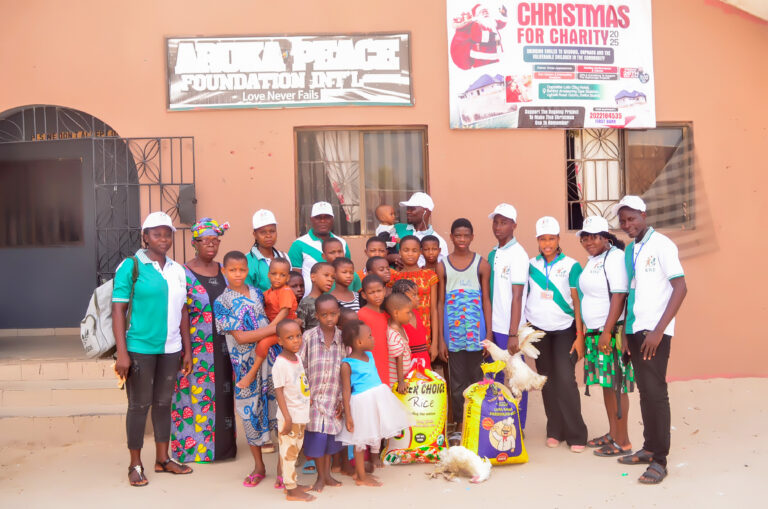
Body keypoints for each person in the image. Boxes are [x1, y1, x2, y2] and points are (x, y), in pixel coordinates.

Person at [112, 212, 193, 487]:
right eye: (157, 234)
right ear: (145, 237)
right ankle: (135, 464)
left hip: (171, 348)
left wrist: (187, 350)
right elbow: (118, 310)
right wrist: (123, 353)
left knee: (163, 404)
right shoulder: (131, 266)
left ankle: (163, 459)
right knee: (138, 406)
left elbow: (183, 311)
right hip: (139, 348)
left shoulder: (177, 270)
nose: (164, 239)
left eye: (168, 234)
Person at [615, 196, 687, 485]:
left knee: (656, 393)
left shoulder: (662, 245)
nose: (627, 224)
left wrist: (658, 331)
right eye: (623, 221)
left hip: (653, 333)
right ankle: (649, 448)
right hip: (635, 330)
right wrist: (624, 332)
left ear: (643, 215)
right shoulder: (631, 249)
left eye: (632, 218)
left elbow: (680, 287)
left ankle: (660, 460)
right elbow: (630, 292)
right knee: (645, 392)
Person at [214, 251, 280, 488]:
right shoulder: (221, 302)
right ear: (224, 271)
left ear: (247, 270)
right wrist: (276, 329)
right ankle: (259, 466)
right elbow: (241, 337)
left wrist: (274, 331)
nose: (238, 274)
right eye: (232, 270)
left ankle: (283, 468)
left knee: (278, 410)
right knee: (249, 412)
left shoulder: (257, 293)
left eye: (242, 269)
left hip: (272, 359)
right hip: (245, 366)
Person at [172, 217, 236, 464]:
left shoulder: (225, 271)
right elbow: (181, 312)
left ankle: (224, 449)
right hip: (196, 347)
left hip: (225, 346)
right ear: (194, 243)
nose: (211, 244)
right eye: (204, 240)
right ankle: (193, 450)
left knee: (222, 395)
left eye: (215, 240)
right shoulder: (182, 272)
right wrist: (187, 351)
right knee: (194, 397)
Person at [525, 216, 588, 452]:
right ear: (537, 240)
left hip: (564, 329)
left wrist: (580, 335)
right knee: (547, 380)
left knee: (565, 379)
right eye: (542, 239)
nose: (547, 243)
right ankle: (555, 429)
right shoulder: (531, 265)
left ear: (559, 239)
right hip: (539, 330)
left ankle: (576, 433)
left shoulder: (571, 265)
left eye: (551, 238)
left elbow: (577, 301)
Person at [577, 215, 634, 457]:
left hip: (609, 333)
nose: (589, 242)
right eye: (585, 238)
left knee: (617, 385)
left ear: (606, 238)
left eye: (594, 237)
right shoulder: (593, 259)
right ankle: (613, 433)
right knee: (607, 385)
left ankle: (623, 441)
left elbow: (619, 295)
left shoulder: (615, 257)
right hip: (595, 333)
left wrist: (608, 331)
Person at [436, 218, 492, 442]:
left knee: (477, 378)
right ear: (451, 237)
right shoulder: (443, 265)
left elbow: (486, 299)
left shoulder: (481, 264)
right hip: (453, 334)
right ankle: (460, 424)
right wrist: (441, 339)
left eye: (466, 235)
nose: (461, 239)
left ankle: (476, 423)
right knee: (457, 381)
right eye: (457, 235)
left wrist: (488, 335)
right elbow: (440, 302)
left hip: (476, 332)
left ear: (472, 237)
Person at [337, 320, 411, 487]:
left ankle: (360, 473)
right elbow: (346, 391)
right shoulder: (347, 364)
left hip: (376, 399)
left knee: (370, 435)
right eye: (369, 336)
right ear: (359, 342)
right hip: (361, 404)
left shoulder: (369, 356)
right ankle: (361, 477)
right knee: (360, 440)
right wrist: (348, 415)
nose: (373, 339)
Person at [486, 204, 530, 428]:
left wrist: (513, 333)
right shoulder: (493, 253)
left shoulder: (518, 254)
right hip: (493, 327)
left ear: (514, 225)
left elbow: (517, 295)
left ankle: (517, 426)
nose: (498, 227)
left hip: (509, 329)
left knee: (515, 376)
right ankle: (496, 423)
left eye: (503, 223)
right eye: (496, 222)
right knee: (493, 376)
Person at [299, 294, 346, 492]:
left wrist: (342, 399)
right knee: (317, 439)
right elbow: (299, 367)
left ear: (338, 313)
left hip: (333, 399)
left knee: (329, 441)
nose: (329, 318)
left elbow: (346, 371)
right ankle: (321, 476)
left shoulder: (343, 338)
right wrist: (304, 395)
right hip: (314, 400)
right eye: (324, 315)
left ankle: (327, 476)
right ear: (316, 316)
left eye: (333, 314)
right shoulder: (308, 337)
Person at [236, 258, 297, 389]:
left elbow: (284, 312)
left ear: (288, 278)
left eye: (282, 275)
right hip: (274, 328)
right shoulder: (267, 293)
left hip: (284, 329)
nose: (277, 278)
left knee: (264, 343)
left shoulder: (285, 291)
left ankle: (251, 374)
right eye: (274, 274)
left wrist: (269, 328)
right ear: (268, 274)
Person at [272, 318, 315, 502]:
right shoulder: (280, 364)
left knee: (295, 451)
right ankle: (291, 490)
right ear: (280, 341)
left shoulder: (296, 358)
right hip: (289, 417)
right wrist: (287, 418)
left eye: (298, 335)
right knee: (288, 454)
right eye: (290, 337)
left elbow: (299, 382)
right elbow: (279, 392)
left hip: (300, 414)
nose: (296, 340)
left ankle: (292, 484)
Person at [388, 235, 439, 358]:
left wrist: (435, 343)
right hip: (402, 332)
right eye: (406, 250)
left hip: (425, 333)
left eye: (414, 250)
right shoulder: (394, 277)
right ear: (399, 252)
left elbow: (434, 309)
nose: (410, 254)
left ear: (420, 252)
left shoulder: (429, 275)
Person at [289, 201, 351, 295]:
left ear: (332, 219)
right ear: (311, 219)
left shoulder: (342, 243)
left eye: (327, 217)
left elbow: (347, 271)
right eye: (318, 218)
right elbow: (295, 279)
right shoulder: (299, 244)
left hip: (339, 299)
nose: (323, 221)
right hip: (312, 300)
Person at [393, 192, 449, 266]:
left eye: (412, 208)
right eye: (408, 208)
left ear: (425, 211)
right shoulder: (397, 228)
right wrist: (395, 258)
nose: (407, 211)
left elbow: (442, 268)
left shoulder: (438, 241)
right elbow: (384, 249)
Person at [357, 274, 390, 387]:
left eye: (379, 291)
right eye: (371, 293)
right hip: (370, 363)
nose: (376, 295)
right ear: (364, 295)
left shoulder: (387, 314)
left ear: (384, 291)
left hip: (387, 362)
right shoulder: (361, 314)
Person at [246, 209, 290, 292]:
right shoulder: (247, 261)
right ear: (255, 235)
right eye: (263, 232)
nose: (268, 235)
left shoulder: (284, 257)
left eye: (272, 231)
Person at [391, 279, 431, 370]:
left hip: (423, 362)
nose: (418, 298)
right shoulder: (397, 318)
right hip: (408, 365)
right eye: (414, 295)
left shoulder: (416, 313)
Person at [384, 293, 413, 393]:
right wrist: (400, 382)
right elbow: (398, 359)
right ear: (396, 313)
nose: (411, 315)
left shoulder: (400, 327)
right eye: (408, 312)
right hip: (395, 383)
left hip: (402, 378)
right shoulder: (393, 334)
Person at [296, 262, 335, 331]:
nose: (330, 279)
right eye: (326, 275)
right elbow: (300, 329)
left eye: (333, 277)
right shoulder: (306, 303)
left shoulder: (330, 302)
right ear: (313, 277)